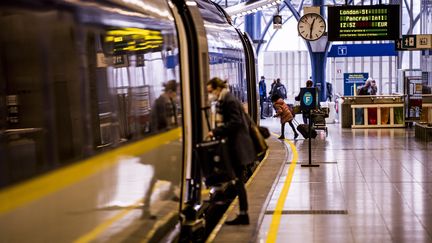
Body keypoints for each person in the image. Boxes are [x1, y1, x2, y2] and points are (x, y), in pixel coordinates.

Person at [207, 77, 256, 225]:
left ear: (217, 89)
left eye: (211, 91)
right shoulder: (227, 99)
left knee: (238, 181)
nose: (210, 94)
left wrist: (216, 131)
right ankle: (243, 213)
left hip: (238, 146)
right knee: (237, 180)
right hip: (236, 145)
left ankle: (243, 215)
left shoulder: (228, 100)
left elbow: (235, 122)